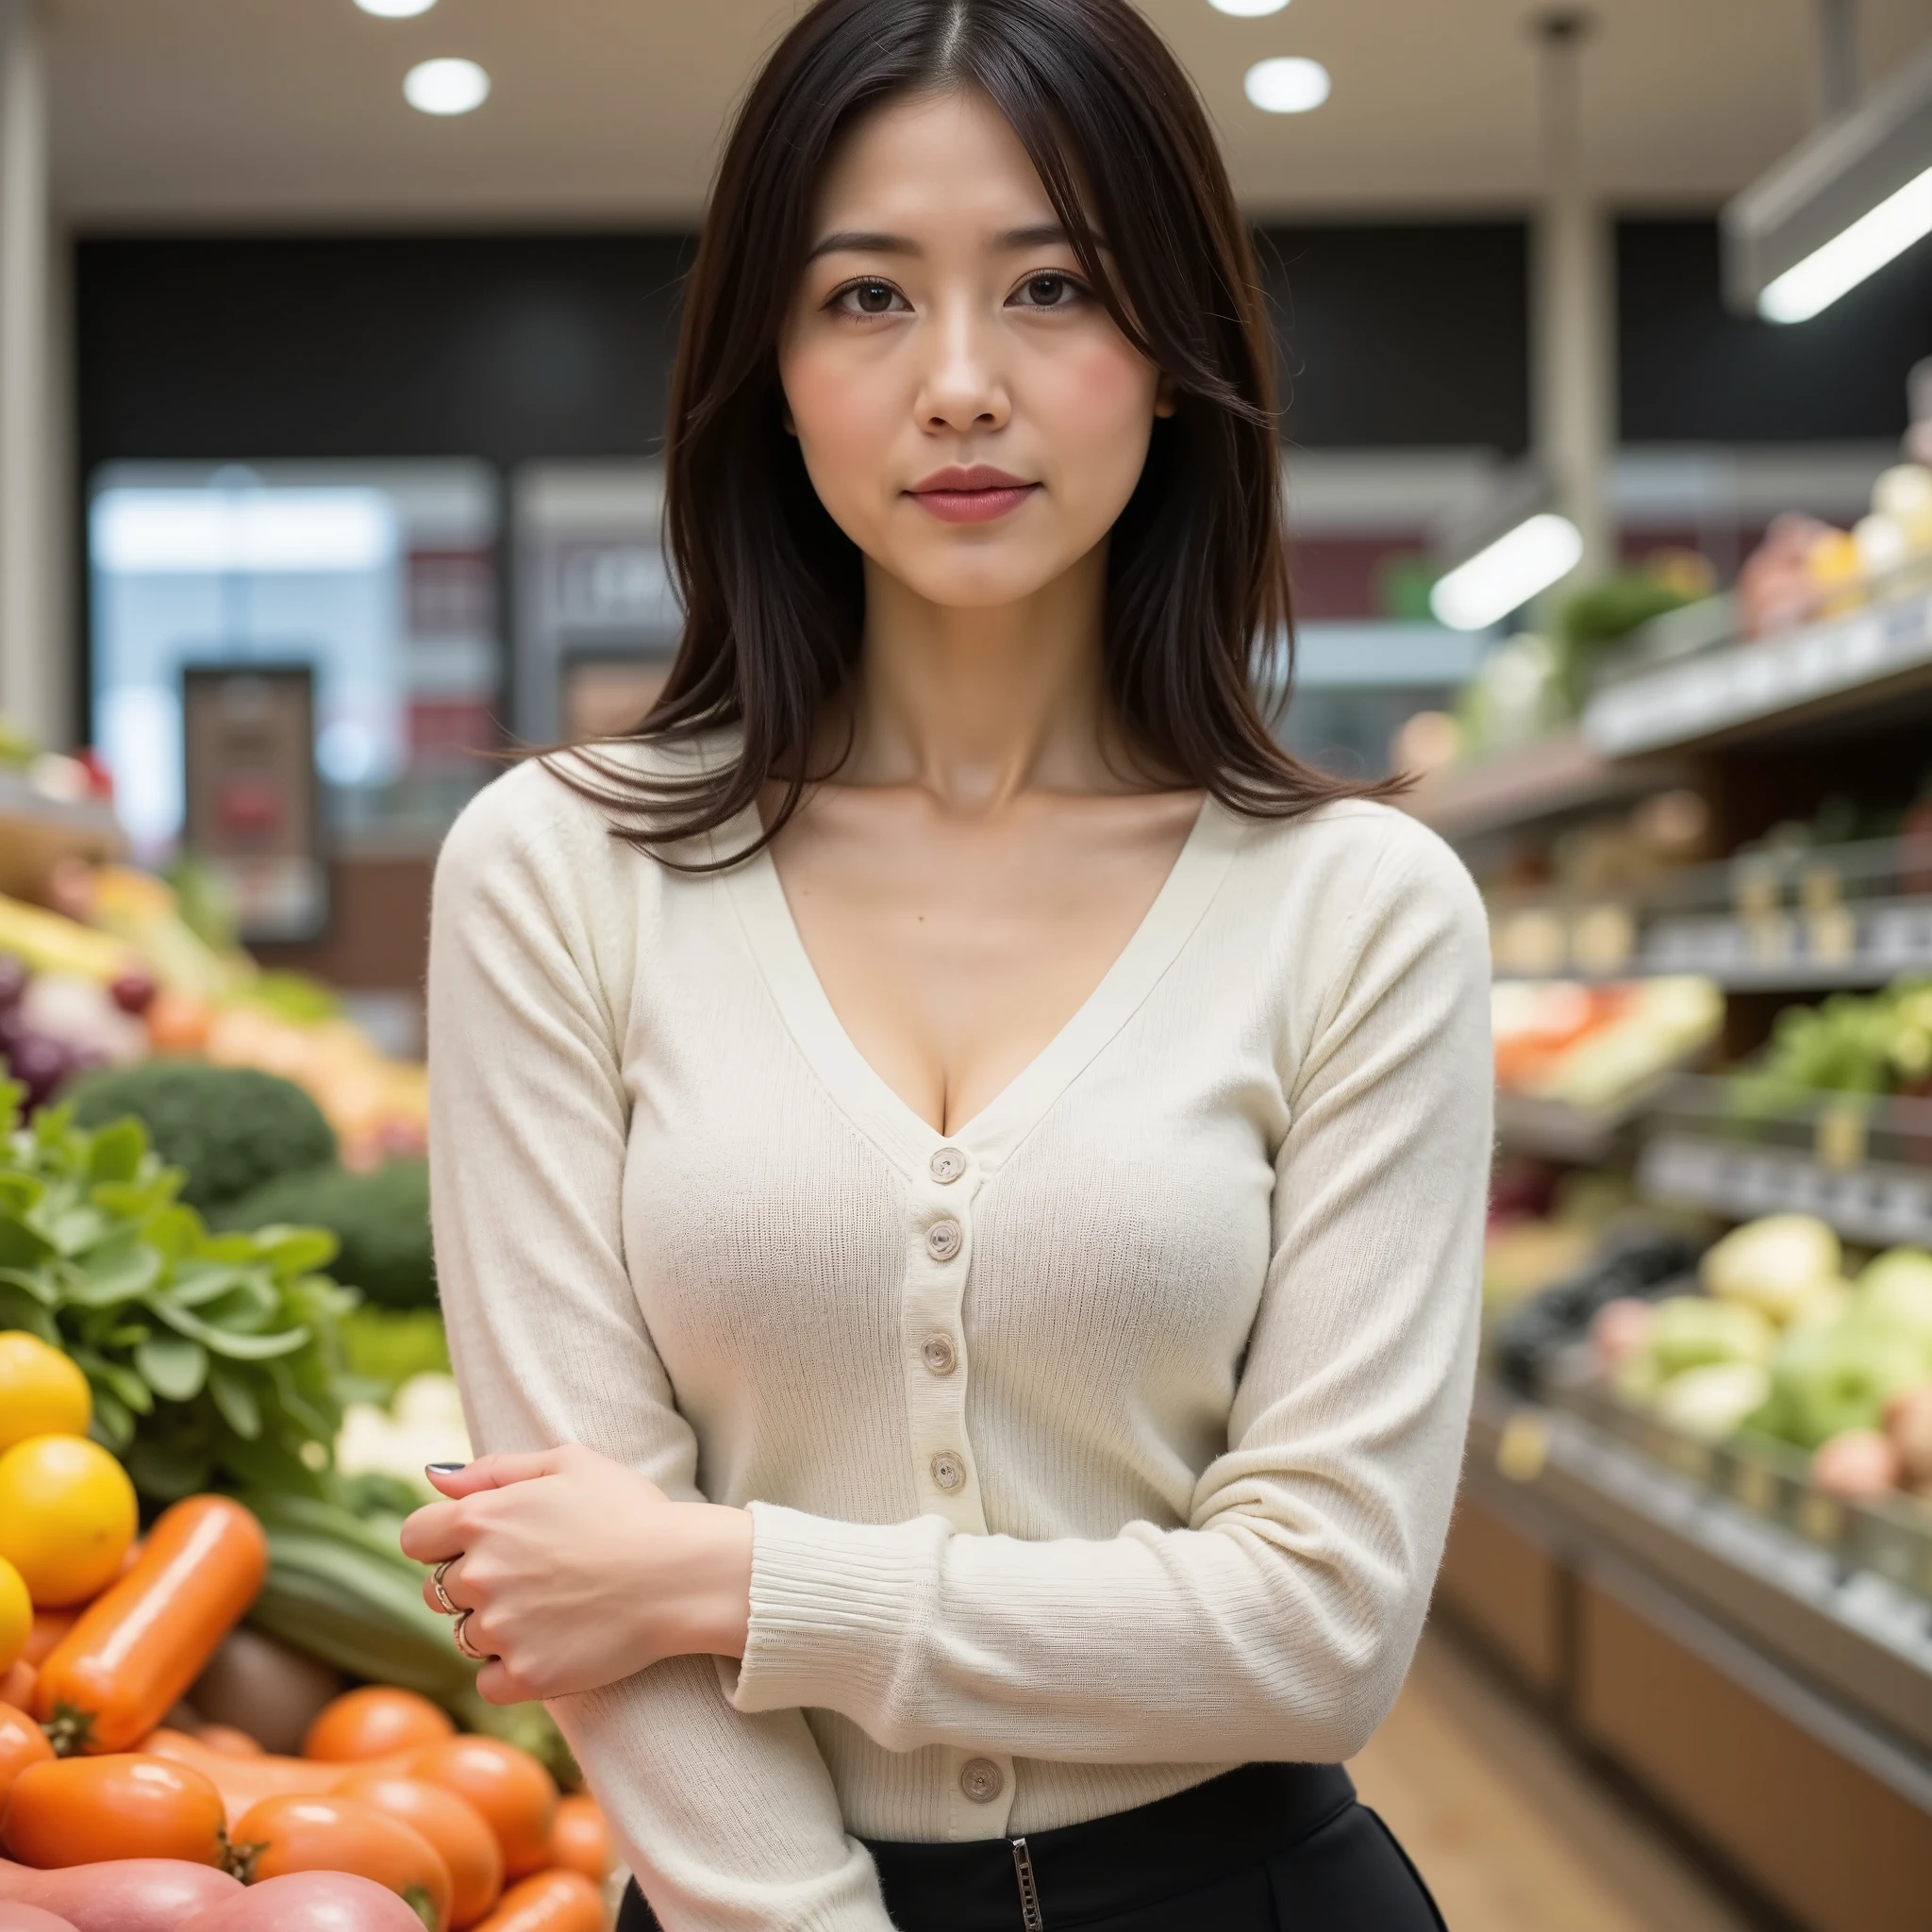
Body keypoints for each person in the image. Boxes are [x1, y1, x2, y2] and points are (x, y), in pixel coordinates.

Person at [398, 1, 1491, 1926]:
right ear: (769, 368)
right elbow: (580, 1579)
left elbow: (1319, 1633)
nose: (961, 383)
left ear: (1174, 357)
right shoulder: (556, 875)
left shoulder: (1362, 909)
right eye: (866, 297)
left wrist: (722, 1576)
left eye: (1054, 285)